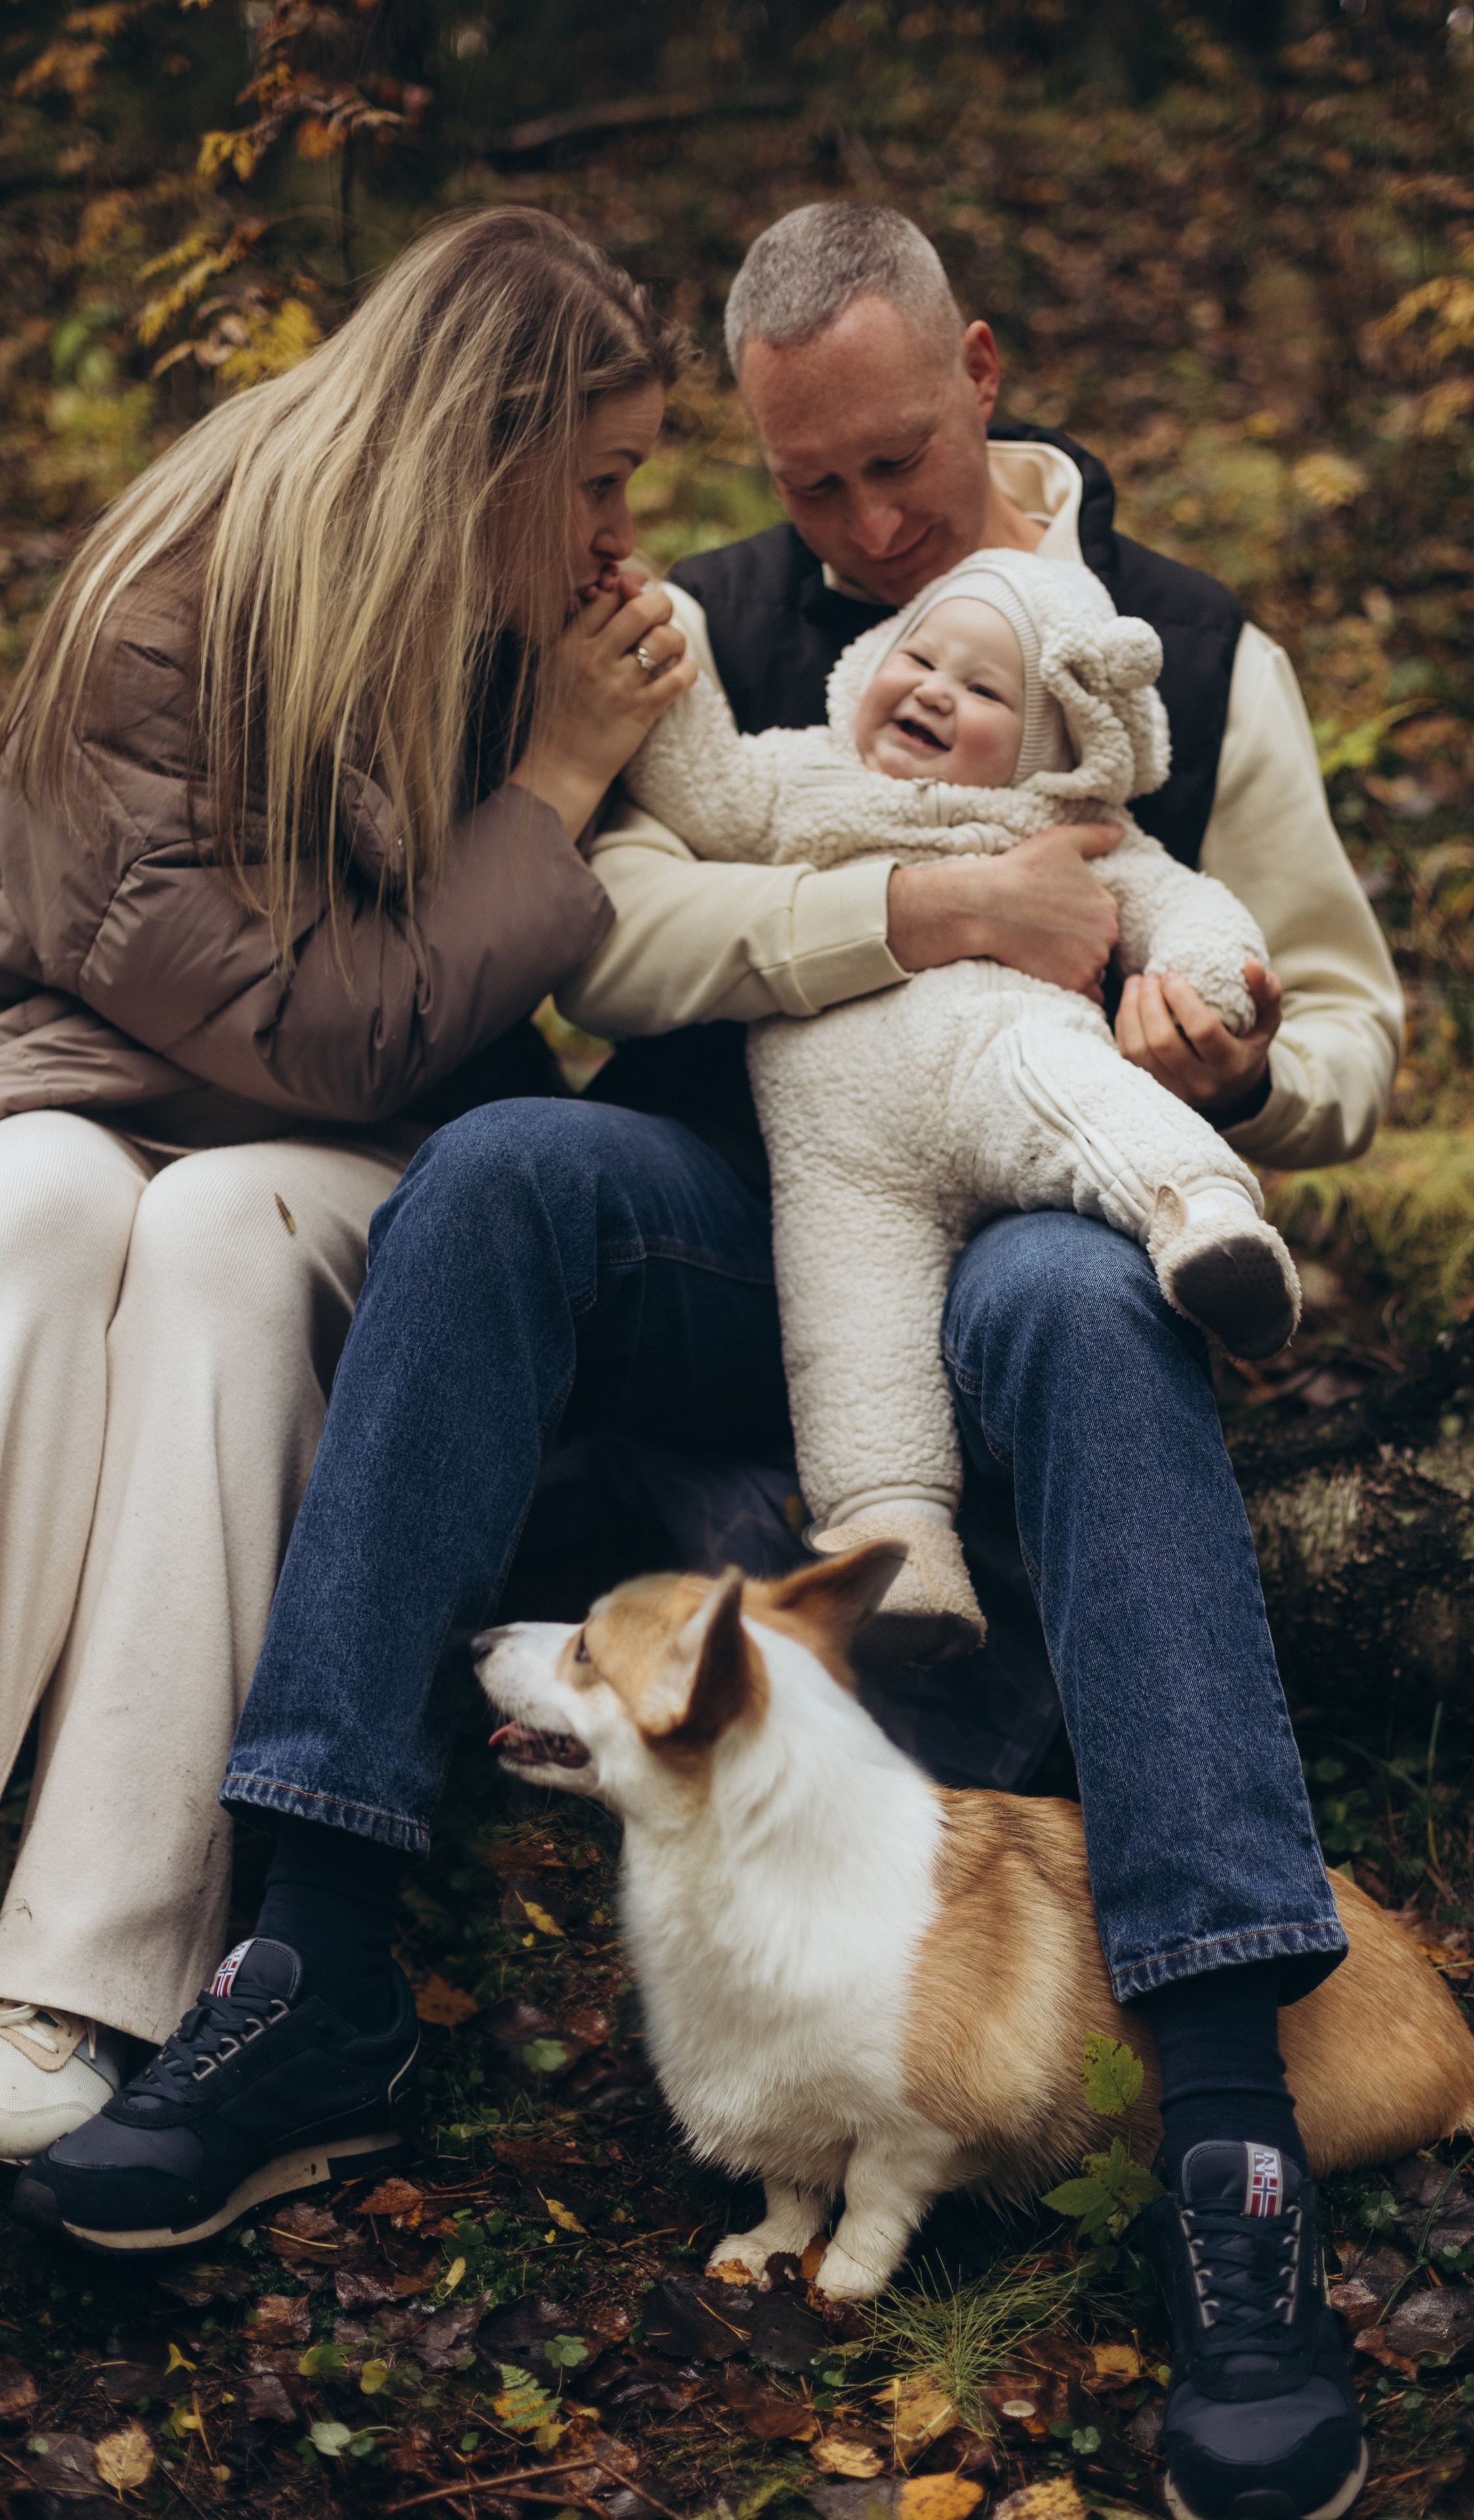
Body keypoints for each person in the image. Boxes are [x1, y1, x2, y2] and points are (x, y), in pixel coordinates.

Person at [20, 206, 1400, 2520]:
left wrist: (1239, 1062)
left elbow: (1349, 1019)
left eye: (894, 467)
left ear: (978, 370)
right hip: (731, 1216)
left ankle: (1231, 2111)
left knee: (1079, 1299)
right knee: (501, 1173)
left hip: (1032, 1221)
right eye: (806, 487)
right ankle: (317, 1951)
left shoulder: (1192, 651)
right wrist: (937, 903)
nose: (856, 530)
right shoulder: (696, 632)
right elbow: (621, 926)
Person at [0, 205, 694, 2160]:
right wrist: (553, 780)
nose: (614, 539)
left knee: (220, 1237)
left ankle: (86, 1973)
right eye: (598, 484)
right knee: (40, 1206)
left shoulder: (495, 613)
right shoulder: (176, 603)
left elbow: (367, 1072)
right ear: (478, 449)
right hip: (134, 1083)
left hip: (327, 1150)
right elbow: (319, 1029)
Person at [622, 541, 1299, 1658]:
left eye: (985, 689)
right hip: (841, 1150)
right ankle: (890, 1549)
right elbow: (705, 785)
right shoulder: (806, 774)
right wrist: (657, 636)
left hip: (1005, 1064)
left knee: (1090, 1108)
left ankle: (1208, 1223)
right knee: (848, 1330)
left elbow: (1182, 904)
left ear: (1047, 741)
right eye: (921, 655)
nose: (936, 687)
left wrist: (1209, 988)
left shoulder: (1062, 825)